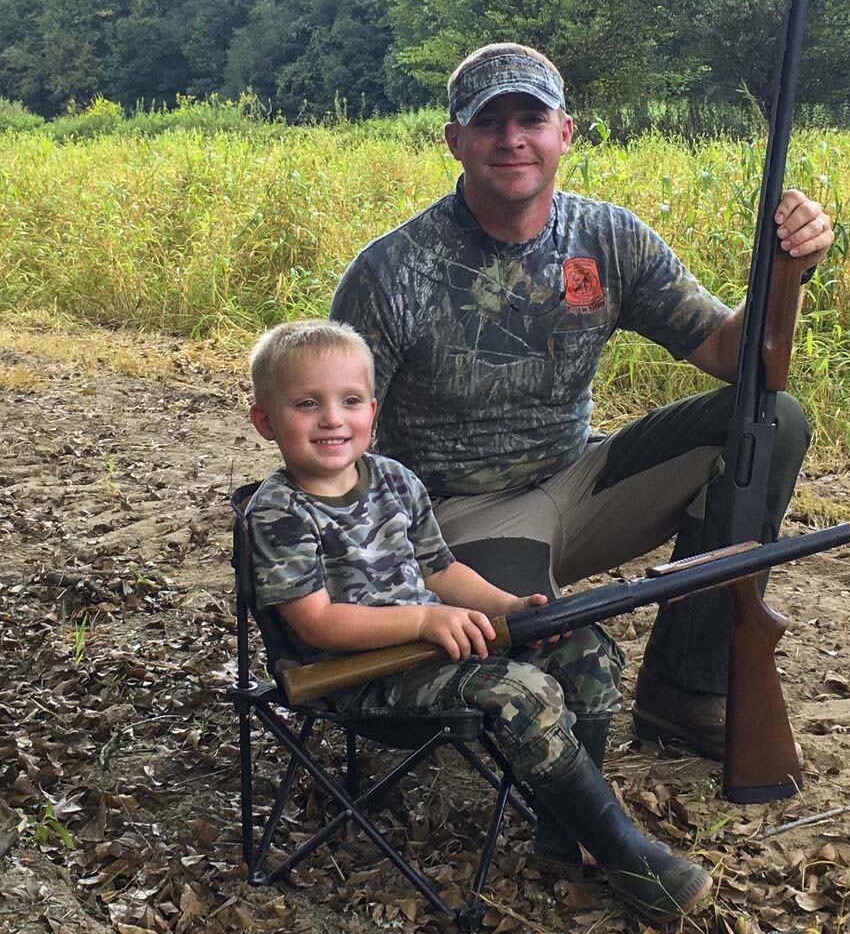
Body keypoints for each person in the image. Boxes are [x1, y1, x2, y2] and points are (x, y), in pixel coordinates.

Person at [330, 42, 835, 760]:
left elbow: (731, 355)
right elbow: (337, 449)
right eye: (488, 121)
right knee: (553, 676)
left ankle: (683, 688)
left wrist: (788, 270)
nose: (511, 139)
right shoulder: (390, 271)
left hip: (579, 482)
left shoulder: (608, 237)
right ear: (454, 141)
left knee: (768, 423)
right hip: (455, 524)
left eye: (530, 118)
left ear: (564, 132)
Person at [242, 317, 712, 924]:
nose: (333, 419)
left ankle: (563, 832)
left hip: (432, 645)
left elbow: (441, 572)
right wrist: (421, 622)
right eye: (308, 404)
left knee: (587, 651)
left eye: (349, 401)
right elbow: (316, 625)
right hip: (356, 675)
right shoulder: (277, 512)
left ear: (373, 411)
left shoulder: (395, 482)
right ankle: (624, 853)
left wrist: (510, 607)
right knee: (523, 691)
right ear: (265, 421)